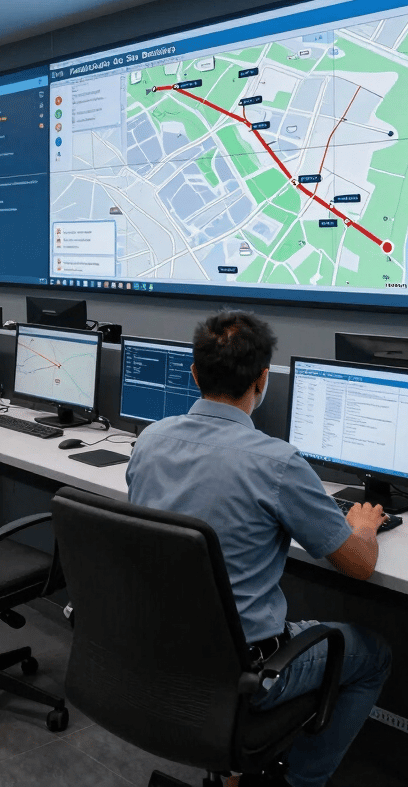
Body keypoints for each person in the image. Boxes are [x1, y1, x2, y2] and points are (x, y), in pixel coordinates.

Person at [126, 310, 391, 787]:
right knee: (374, 655)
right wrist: (365, 526)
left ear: (193, 374)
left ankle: (232, 772)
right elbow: (359, 565)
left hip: (160, 654)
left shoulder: (149, 442)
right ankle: (302, 780)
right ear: (264, 379)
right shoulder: (278, 463)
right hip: (249, 672)